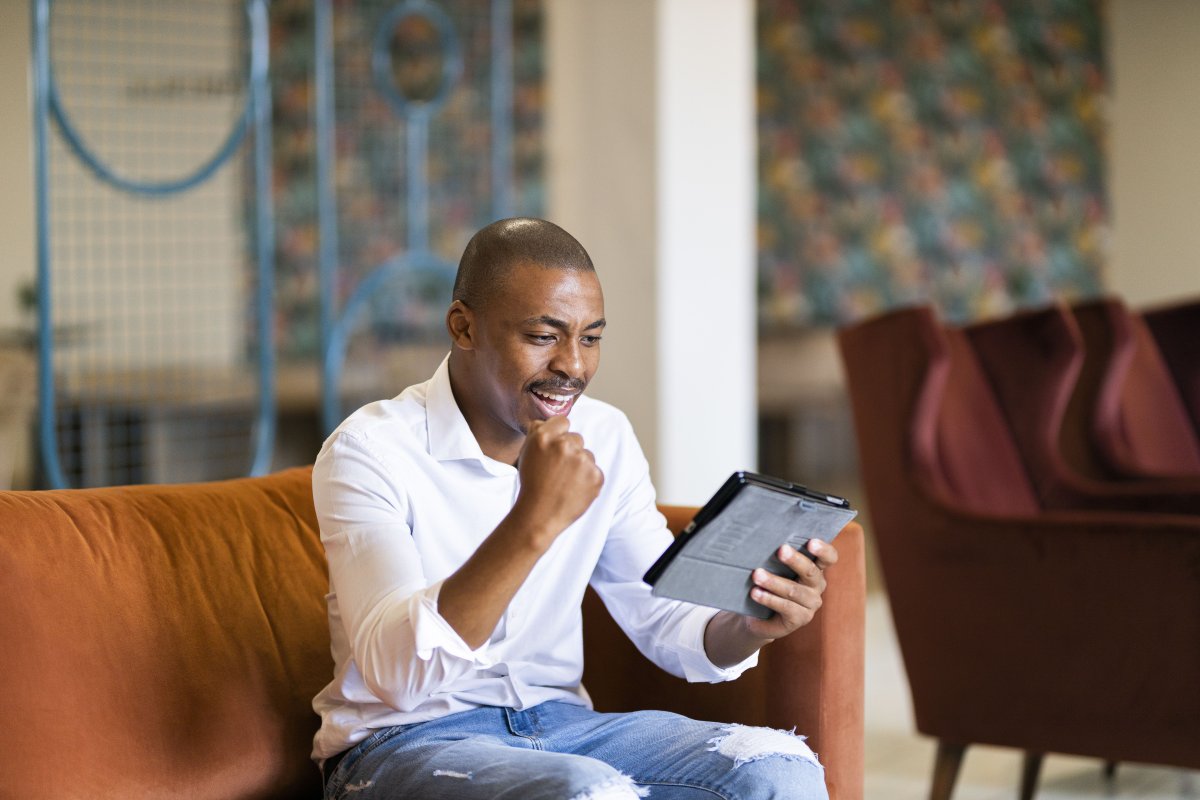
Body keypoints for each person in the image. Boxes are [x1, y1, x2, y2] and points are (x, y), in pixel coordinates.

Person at [311, 217, 839, 799]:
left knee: (778, 766)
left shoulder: (604, 435)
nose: (574, 367)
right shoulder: (369, 450)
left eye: (590, 338)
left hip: (564, 729)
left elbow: (664, 615)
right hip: (403, 745)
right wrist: (534, 520)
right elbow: (399, 676)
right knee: (584, 791)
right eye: (544, 336)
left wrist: (748, 625)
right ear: (463, 327)